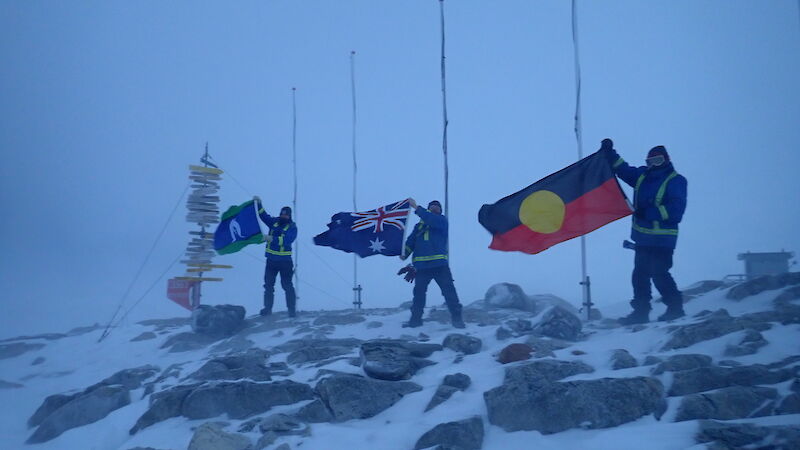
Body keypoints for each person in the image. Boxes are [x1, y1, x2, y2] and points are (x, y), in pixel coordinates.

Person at [601, 139, 688, 324]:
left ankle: (675, 308)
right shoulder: (642, 176)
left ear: (666, 159)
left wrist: (648, 213)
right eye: (650, 161)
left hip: (663, 240)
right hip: (643, 238)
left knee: (659, 273)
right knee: (639, 275)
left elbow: (676, 210)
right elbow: (623, 169)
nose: (653, 164)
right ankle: (641, 313)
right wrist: (609, 153)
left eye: (657, 160)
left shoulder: (676, 181)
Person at [401, 198, 465, 328]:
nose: (435, 208)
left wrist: (416, 208)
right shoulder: (418, 226)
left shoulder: (441, 221)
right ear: (429, 208)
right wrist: (404, 253)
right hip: (421, 268)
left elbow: (431, 219)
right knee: (418, 295)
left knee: (449, 292)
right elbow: (410, 242)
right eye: (432, 206)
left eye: (437, 207)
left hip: (440, 266)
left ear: (440, 210)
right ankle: (415, 321)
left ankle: (457, 319)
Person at [256, 198, 297, 317]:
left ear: (289, 216)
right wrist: (259, 204)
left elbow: (287, 240)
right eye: (282, 214)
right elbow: (263, 216)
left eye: (286, 215)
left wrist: (271, 239)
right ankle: (267, 309)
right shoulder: (274, 222)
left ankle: (291, 310)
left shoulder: (292, 228)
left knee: (287, 286)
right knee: (268, 285)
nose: (283, 216)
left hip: (285, 262)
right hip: (271, 261)